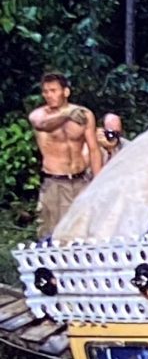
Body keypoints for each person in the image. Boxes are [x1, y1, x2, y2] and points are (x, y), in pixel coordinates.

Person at [28, 72, 101, 239]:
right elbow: (42, 125)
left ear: (65, 92)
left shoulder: (83, 114)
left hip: (80, 179)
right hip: (55, 182)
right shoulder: (39, 115)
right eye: (46, 92)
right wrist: (65, 115)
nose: (49, 95)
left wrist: (98, 181)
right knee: (52, 233)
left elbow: (93, 148)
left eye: (53, 90)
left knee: (85, 231)